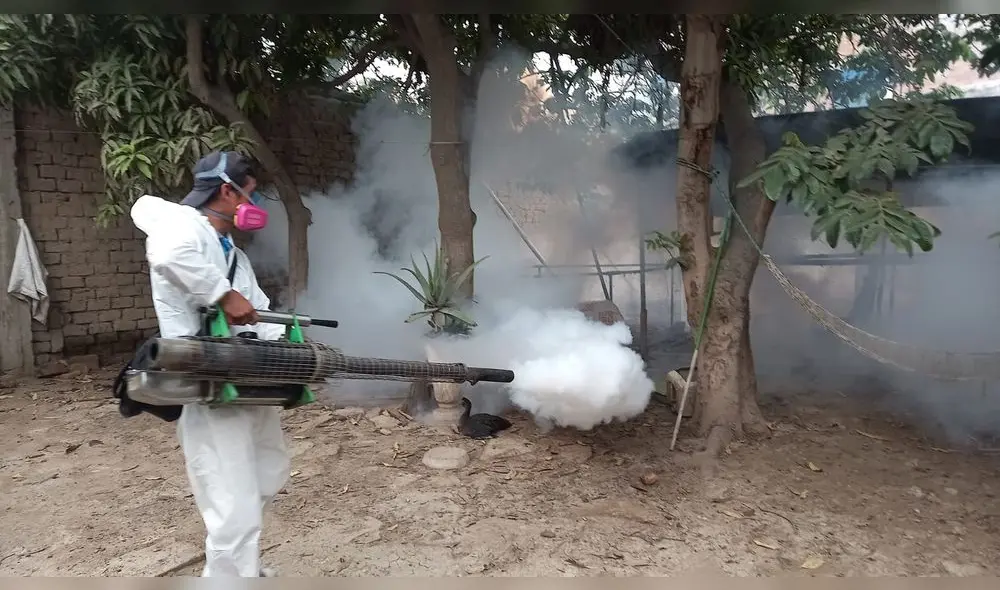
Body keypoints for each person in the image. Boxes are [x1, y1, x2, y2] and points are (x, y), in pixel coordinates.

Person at [129, 150, 289, 577]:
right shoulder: (179, 225)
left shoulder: (231, 250)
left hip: (246, 374)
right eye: (249, 196)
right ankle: (230, 577)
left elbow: (258, 309)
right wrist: (222, 295)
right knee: (230, 498)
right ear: (226, 191)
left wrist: (290, 354)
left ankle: (242, 567)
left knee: (269, 468)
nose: (252, 208)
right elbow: (167, 257)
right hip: (208, 378)